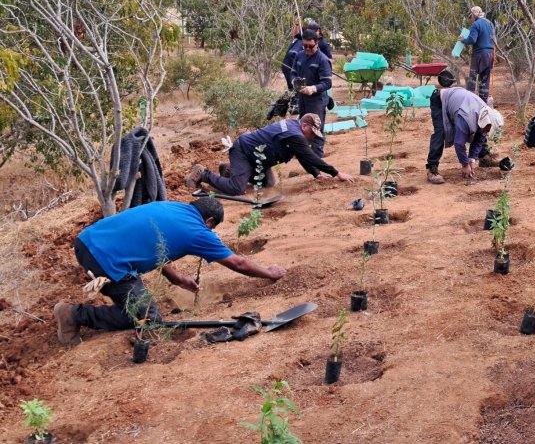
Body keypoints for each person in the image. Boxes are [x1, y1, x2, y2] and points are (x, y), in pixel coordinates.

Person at [53, 198, 286, 346]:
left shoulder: (173, 207)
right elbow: (238, 264)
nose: (212, 233)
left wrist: (175, 277)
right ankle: (74, 315)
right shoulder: (198, 231)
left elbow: (156, 243)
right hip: (105, 258)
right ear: (209, 221)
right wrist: (270, 273)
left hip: (88, 240)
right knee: (148, 318)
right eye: (213, 228)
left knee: (138, 302)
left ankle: (79, 312)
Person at [186, 114, 353, 196]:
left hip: (258, 158)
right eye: (312, 133)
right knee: (236, 189)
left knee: (268, 182)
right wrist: (336, 173)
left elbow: (302, 156)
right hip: (244, 151)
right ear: (305, 126)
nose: (312, 137)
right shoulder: (295, 134)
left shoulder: (293, 126)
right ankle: (204, 174)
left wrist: (316, 173)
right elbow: (309, 156)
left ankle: (229, 170)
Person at [425, 87, 504, 184]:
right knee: (441, 133)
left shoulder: (486, 114)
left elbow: (480, 137)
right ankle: (432, 169)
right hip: (440, 100)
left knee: (481, 132)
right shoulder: (467, 117)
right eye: (487, 129)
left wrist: (472, 159)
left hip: (459, 103)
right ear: (485, 122)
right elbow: (459, 143)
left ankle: (484, 159)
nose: (487, 131)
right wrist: (465, 164)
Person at [290, 29, 333, 157]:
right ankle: (304, 155)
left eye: (310, 46)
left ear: (317, 44)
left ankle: (318, 159)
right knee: (302, 127)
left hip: (316, 101)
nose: (307, 48)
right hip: (302, 99)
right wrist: (294, 81)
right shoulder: (299, 55)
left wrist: (312, 88)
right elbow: (292, 72)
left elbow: (327, 83)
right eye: (305, 46)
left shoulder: (322, 60)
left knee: (316, 130)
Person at [458, 6, 495, 102]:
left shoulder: (476, 24)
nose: (471, 18)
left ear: (474, 15)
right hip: (490, 54)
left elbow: (472, 40)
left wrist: (463, 40)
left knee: (472, 79)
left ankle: (469, 100)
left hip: (479, 54)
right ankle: (483, 102)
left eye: (471, 15)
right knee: (485, 79)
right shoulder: (490, 23)